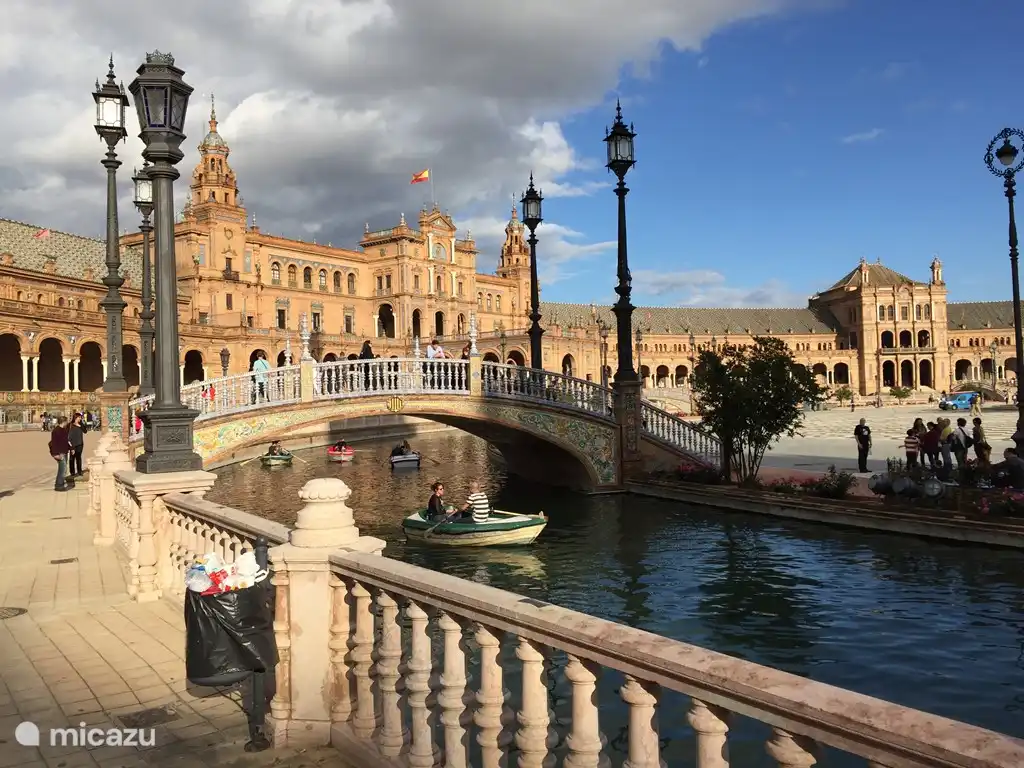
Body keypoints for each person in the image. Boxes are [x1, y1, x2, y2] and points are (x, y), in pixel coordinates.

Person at [49, 416, 71, 492]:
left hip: (64, 451)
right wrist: (56, 454)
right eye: (66, 421)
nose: (67, 423)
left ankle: (59, 484)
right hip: (60, 453)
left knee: (63, 469)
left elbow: (66, 441)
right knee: (62, 469)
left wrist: (71, 448)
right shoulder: (56, 431)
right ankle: (59, 485)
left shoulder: (64, 430)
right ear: (63, 422)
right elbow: (54, 443)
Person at [68, 413, 86, 478]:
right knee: (72, 458)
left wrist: (80, 426)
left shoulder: (81, 424)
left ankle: (79, 471)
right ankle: (72, 472)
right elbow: (67, 435)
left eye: (80, 417)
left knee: (79, 458)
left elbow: (85, 431)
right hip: (72, 444)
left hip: (80, 444)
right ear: (75, 418)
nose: (80, 418)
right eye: (79, 417)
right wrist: (70, 445)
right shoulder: (70, 425)